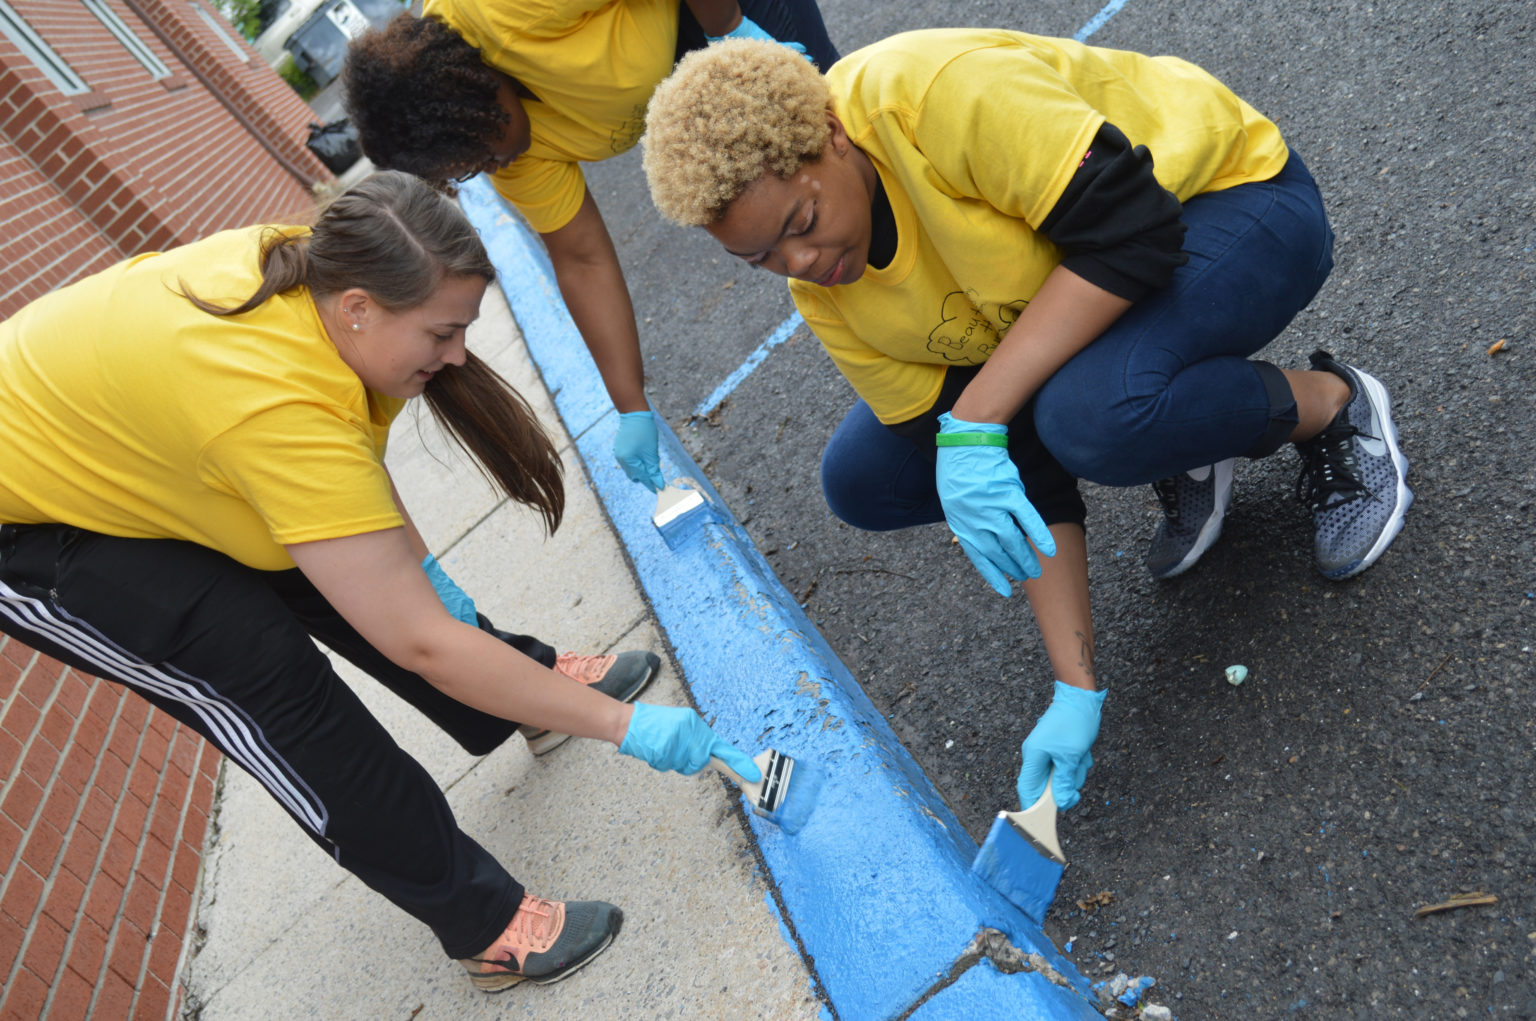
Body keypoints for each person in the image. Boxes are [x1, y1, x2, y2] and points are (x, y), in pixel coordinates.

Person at [0, 171, 762, 992]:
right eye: (443, 332)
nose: (461, 353)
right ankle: (479, 922)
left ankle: (514, 694)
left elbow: (346, 470)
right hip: (39, 527)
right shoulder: (272, 401)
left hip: (144, 445)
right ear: (360, 308)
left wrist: (426, 567)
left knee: (368, 577)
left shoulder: (318, 276)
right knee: (271, 682)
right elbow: (417, 636)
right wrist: (627, 726)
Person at [641, 33, 1412, 816]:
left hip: (1231, 210)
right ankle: (1186, 427)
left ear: (832, 136)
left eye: (801, 221)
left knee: (1091, 415)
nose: (799, 263)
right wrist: (1075, 688)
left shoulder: (933, 95)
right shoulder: (824, 292)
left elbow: (1137, 230)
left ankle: (1332, 407)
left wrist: (976, 417)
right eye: (762, 258)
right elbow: (1019, 465)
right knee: (865, 477)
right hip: (1109, 297)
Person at [342, 0, 839, 493]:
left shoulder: (502, 10)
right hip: (679, 52)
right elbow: (581, 258)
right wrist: (631, 407)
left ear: (466, 98)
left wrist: (731, 31)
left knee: (837, 146)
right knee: (791, 206)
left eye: (478, 151)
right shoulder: (509, 151)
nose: (489, 167)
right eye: (467, 169)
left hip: (724, 10)